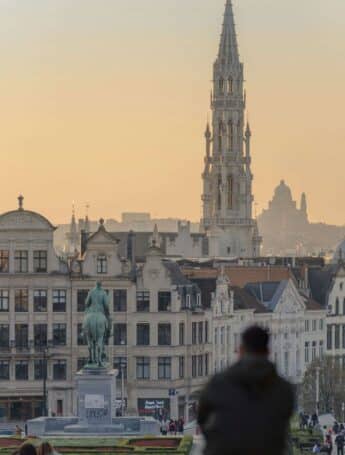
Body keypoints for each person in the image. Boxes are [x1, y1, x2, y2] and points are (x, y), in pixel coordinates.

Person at [197, 326, 294, 455]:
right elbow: (283, 426)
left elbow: (202, 418)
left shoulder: (218, 383)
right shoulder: (284, 389)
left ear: (241, 350)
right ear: (268, 352)